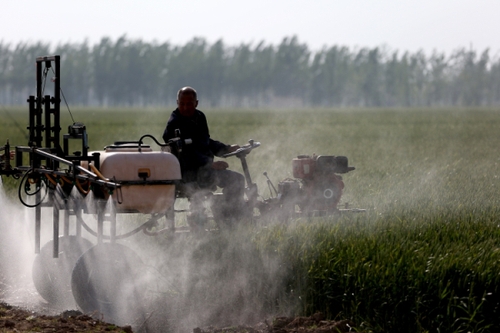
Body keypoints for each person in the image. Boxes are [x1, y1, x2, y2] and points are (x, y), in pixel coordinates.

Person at [162, 86, 246, 221]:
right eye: (182, 104)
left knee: (237, 179)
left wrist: (227, 148)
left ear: (196, 103)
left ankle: (227, 214)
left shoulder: (199, 117)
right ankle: (228, 218)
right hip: (189, 173)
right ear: (177, 103)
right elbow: (185, 154)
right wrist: (210, 164)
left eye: (189, 104)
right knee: (236, 180)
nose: (185, 107)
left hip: (204, 171)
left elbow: (205, 142)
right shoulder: (175, 123)